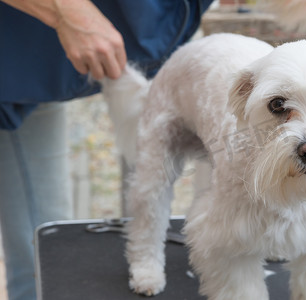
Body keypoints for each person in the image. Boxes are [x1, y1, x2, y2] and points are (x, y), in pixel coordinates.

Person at [0, 0, 213, 299]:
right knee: (41, 256)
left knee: (41, 244)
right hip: (30, 31)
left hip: (32, 53)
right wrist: (69, 11)